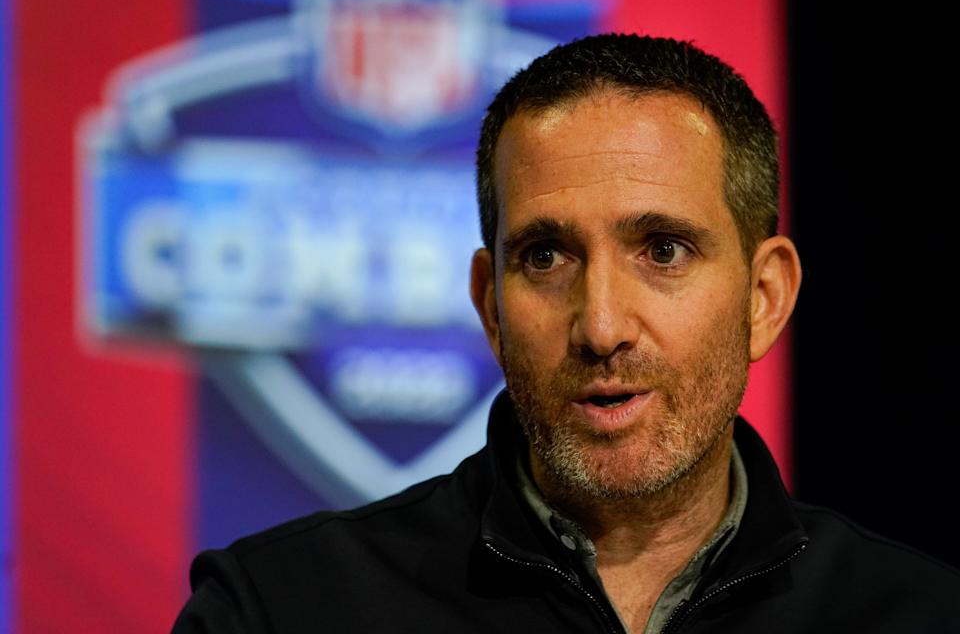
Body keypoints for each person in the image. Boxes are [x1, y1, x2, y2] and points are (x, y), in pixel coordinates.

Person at [173, 34, 960, 633]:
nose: (602, 327)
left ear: (765, 296)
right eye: (546, 257)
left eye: (663, 251)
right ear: (490, 304)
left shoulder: (919, 614)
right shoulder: (278, 610)